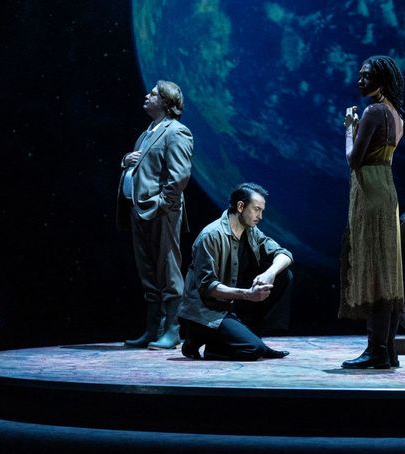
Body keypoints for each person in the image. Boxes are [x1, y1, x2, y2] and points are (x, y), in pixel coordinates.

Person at [339, 55, 405, 370]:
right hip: (386, 189)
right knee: (387, 270)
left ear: (381, 81)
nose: (360, 81)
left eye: (366, 76)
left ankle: (376, 350)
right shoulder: (396, 115)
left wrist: (349, 129)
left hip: (370, 191)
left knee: (375, 270)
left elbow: (353, 159)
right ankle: (387, 350)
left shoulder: (374, 111)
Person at [117, 80, 194, 350]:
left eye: (153, 94)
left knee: (168, 270)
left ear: (166, 102)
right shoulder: (147, 132)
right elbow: (141, 166)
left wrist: (162, 204)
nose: (147, 96)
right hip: (139, 210)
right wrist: (125, 160)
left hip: (160, 212)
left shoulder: (176, 131)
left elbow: (179, 176)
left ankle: (172, 331)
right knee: (148, 272)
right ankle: (153, 330)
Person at [179, 183, 293, 361]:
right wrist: (248, 294)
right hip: (209, 311)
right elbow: (208, 287)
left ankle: (250, 336)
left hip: (233, 304)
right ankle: (203, 340)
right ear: (240, 206)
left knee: (283, 275)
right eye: (256, 209)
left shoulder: (251, 231)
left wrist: (269, 273)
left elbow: (284, 254)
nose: (260, 216)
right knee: (252, 350)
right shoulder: (211, 235)